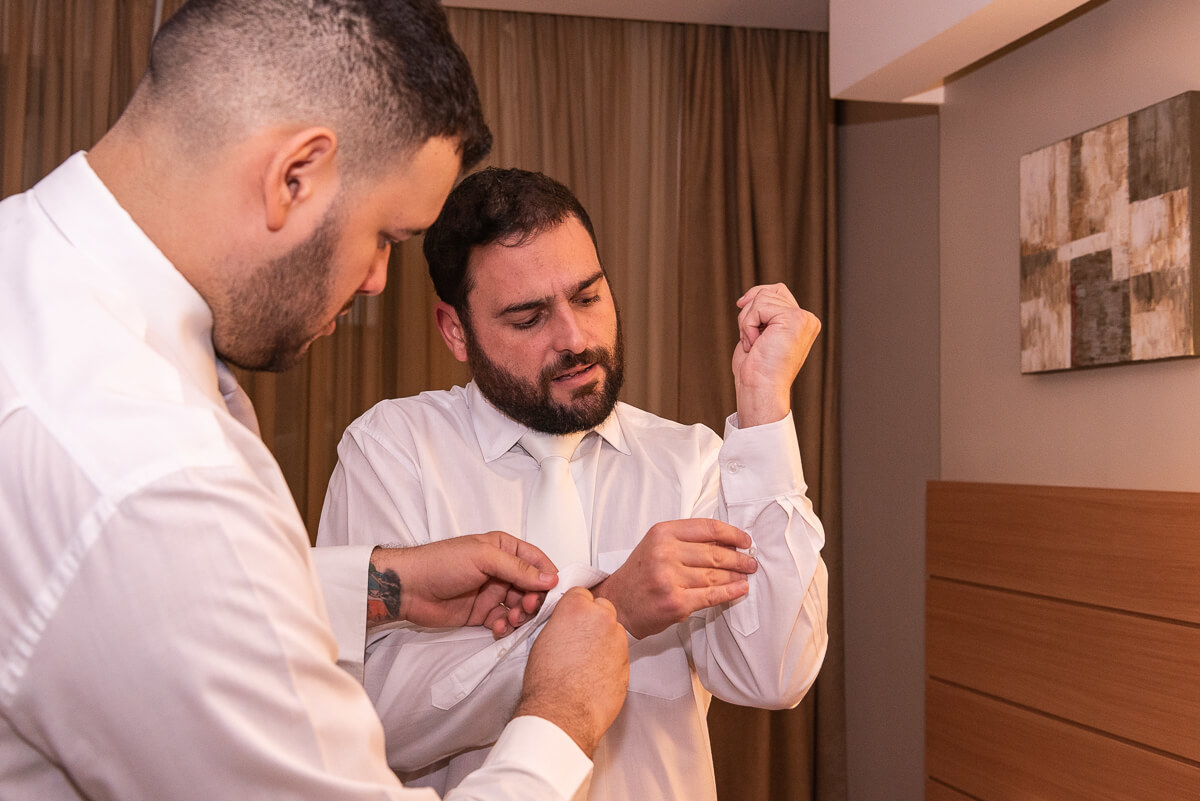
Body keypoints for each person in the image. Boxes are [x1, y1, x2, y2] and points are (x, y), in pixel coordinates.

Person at [0, 3, 630, 800]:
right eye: (385, 236)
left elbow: (129, 606)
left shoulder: (30, 266)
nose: (376, 280)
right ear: (294, 176)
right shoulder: (154, 472)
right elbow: (167, 552)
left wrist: (381, 585)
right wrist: (560, 715)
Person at [317, 167, 830, 800]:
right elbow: (366, 721)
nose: (575, 339)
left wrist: (764, 408)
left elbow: (773, 676)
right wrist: (612, 609)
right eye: (528, 318)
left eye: (587, 298)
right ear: (456, 331)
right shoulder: (393, 452)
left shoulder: (693, 462)